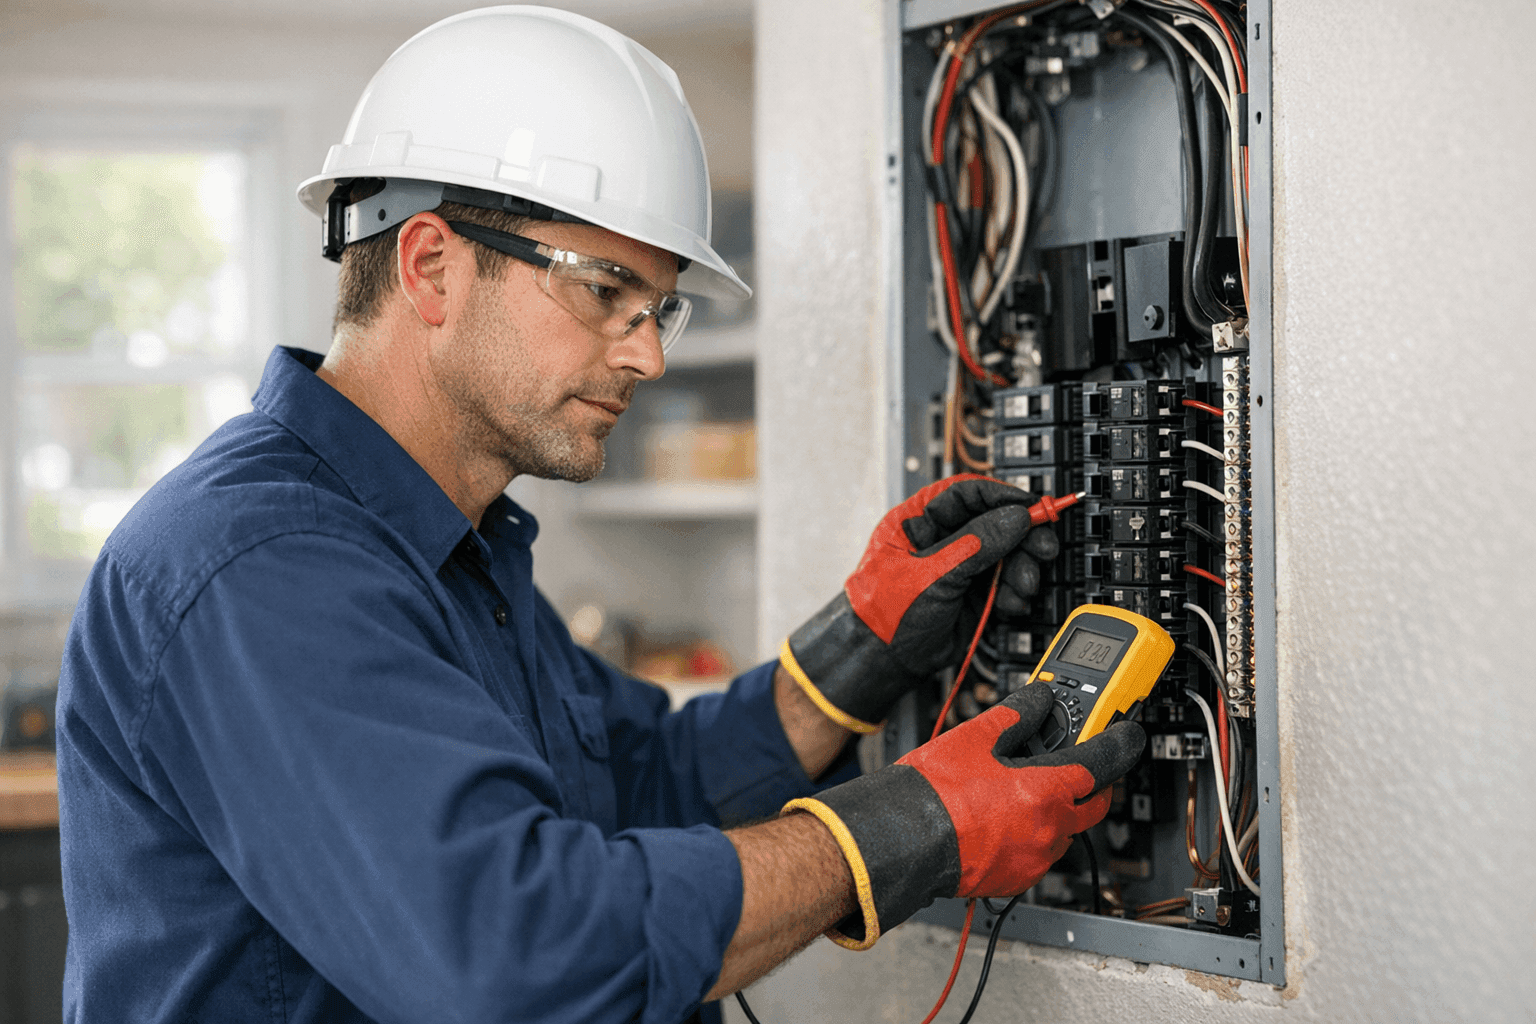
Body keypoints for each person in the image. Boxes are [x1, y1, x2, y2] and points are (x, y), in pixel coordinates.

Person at [55, 8, 1143, 1023]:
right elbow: (509, 948)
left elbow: (640, 783)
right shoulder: (262, 565)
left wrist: (852, 651)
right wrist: (908, 827)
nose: (652, 353)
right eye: (604, 291)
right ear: (432, 265)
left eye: (657, 304)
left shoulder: (455, 546)